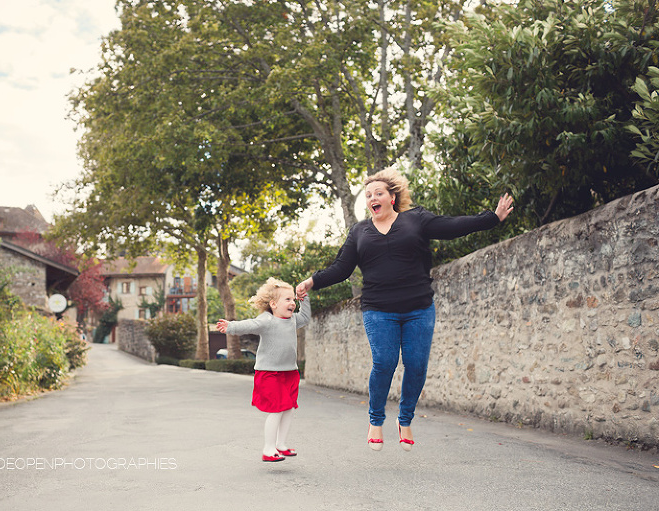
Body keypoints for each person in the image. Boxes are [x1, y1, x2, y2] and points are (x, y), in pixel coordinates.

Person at [296, 167, 513, 452]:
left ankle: (405, 419)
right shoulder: (359, 231)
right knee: (384, 362)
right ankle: (376, 421)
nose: (372, 198)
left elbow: (453, 226)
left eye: (378, 193)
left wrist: (492, 218)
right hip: (378, 309)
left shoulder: (416, 220)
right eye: (368, 195)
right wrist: (313, 280)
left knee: (417, 364)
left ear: (392, 197)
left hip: (418, 307)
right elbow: (341, 268)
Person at [217, 277, 311, 462]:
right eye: (288, 299)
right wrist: (231, 326)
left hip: (289, 372)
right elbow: (250, 324)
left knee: (289, 409)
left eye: (293, 299)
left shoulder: (293, 320)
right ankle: (268, 449)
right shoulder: (266, 320)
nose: (292, 303)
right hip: (269, 372)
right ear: (273, 304)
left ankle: (281, 445)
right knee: (276, 410)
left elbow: (306, 317)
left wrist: (304, 299)